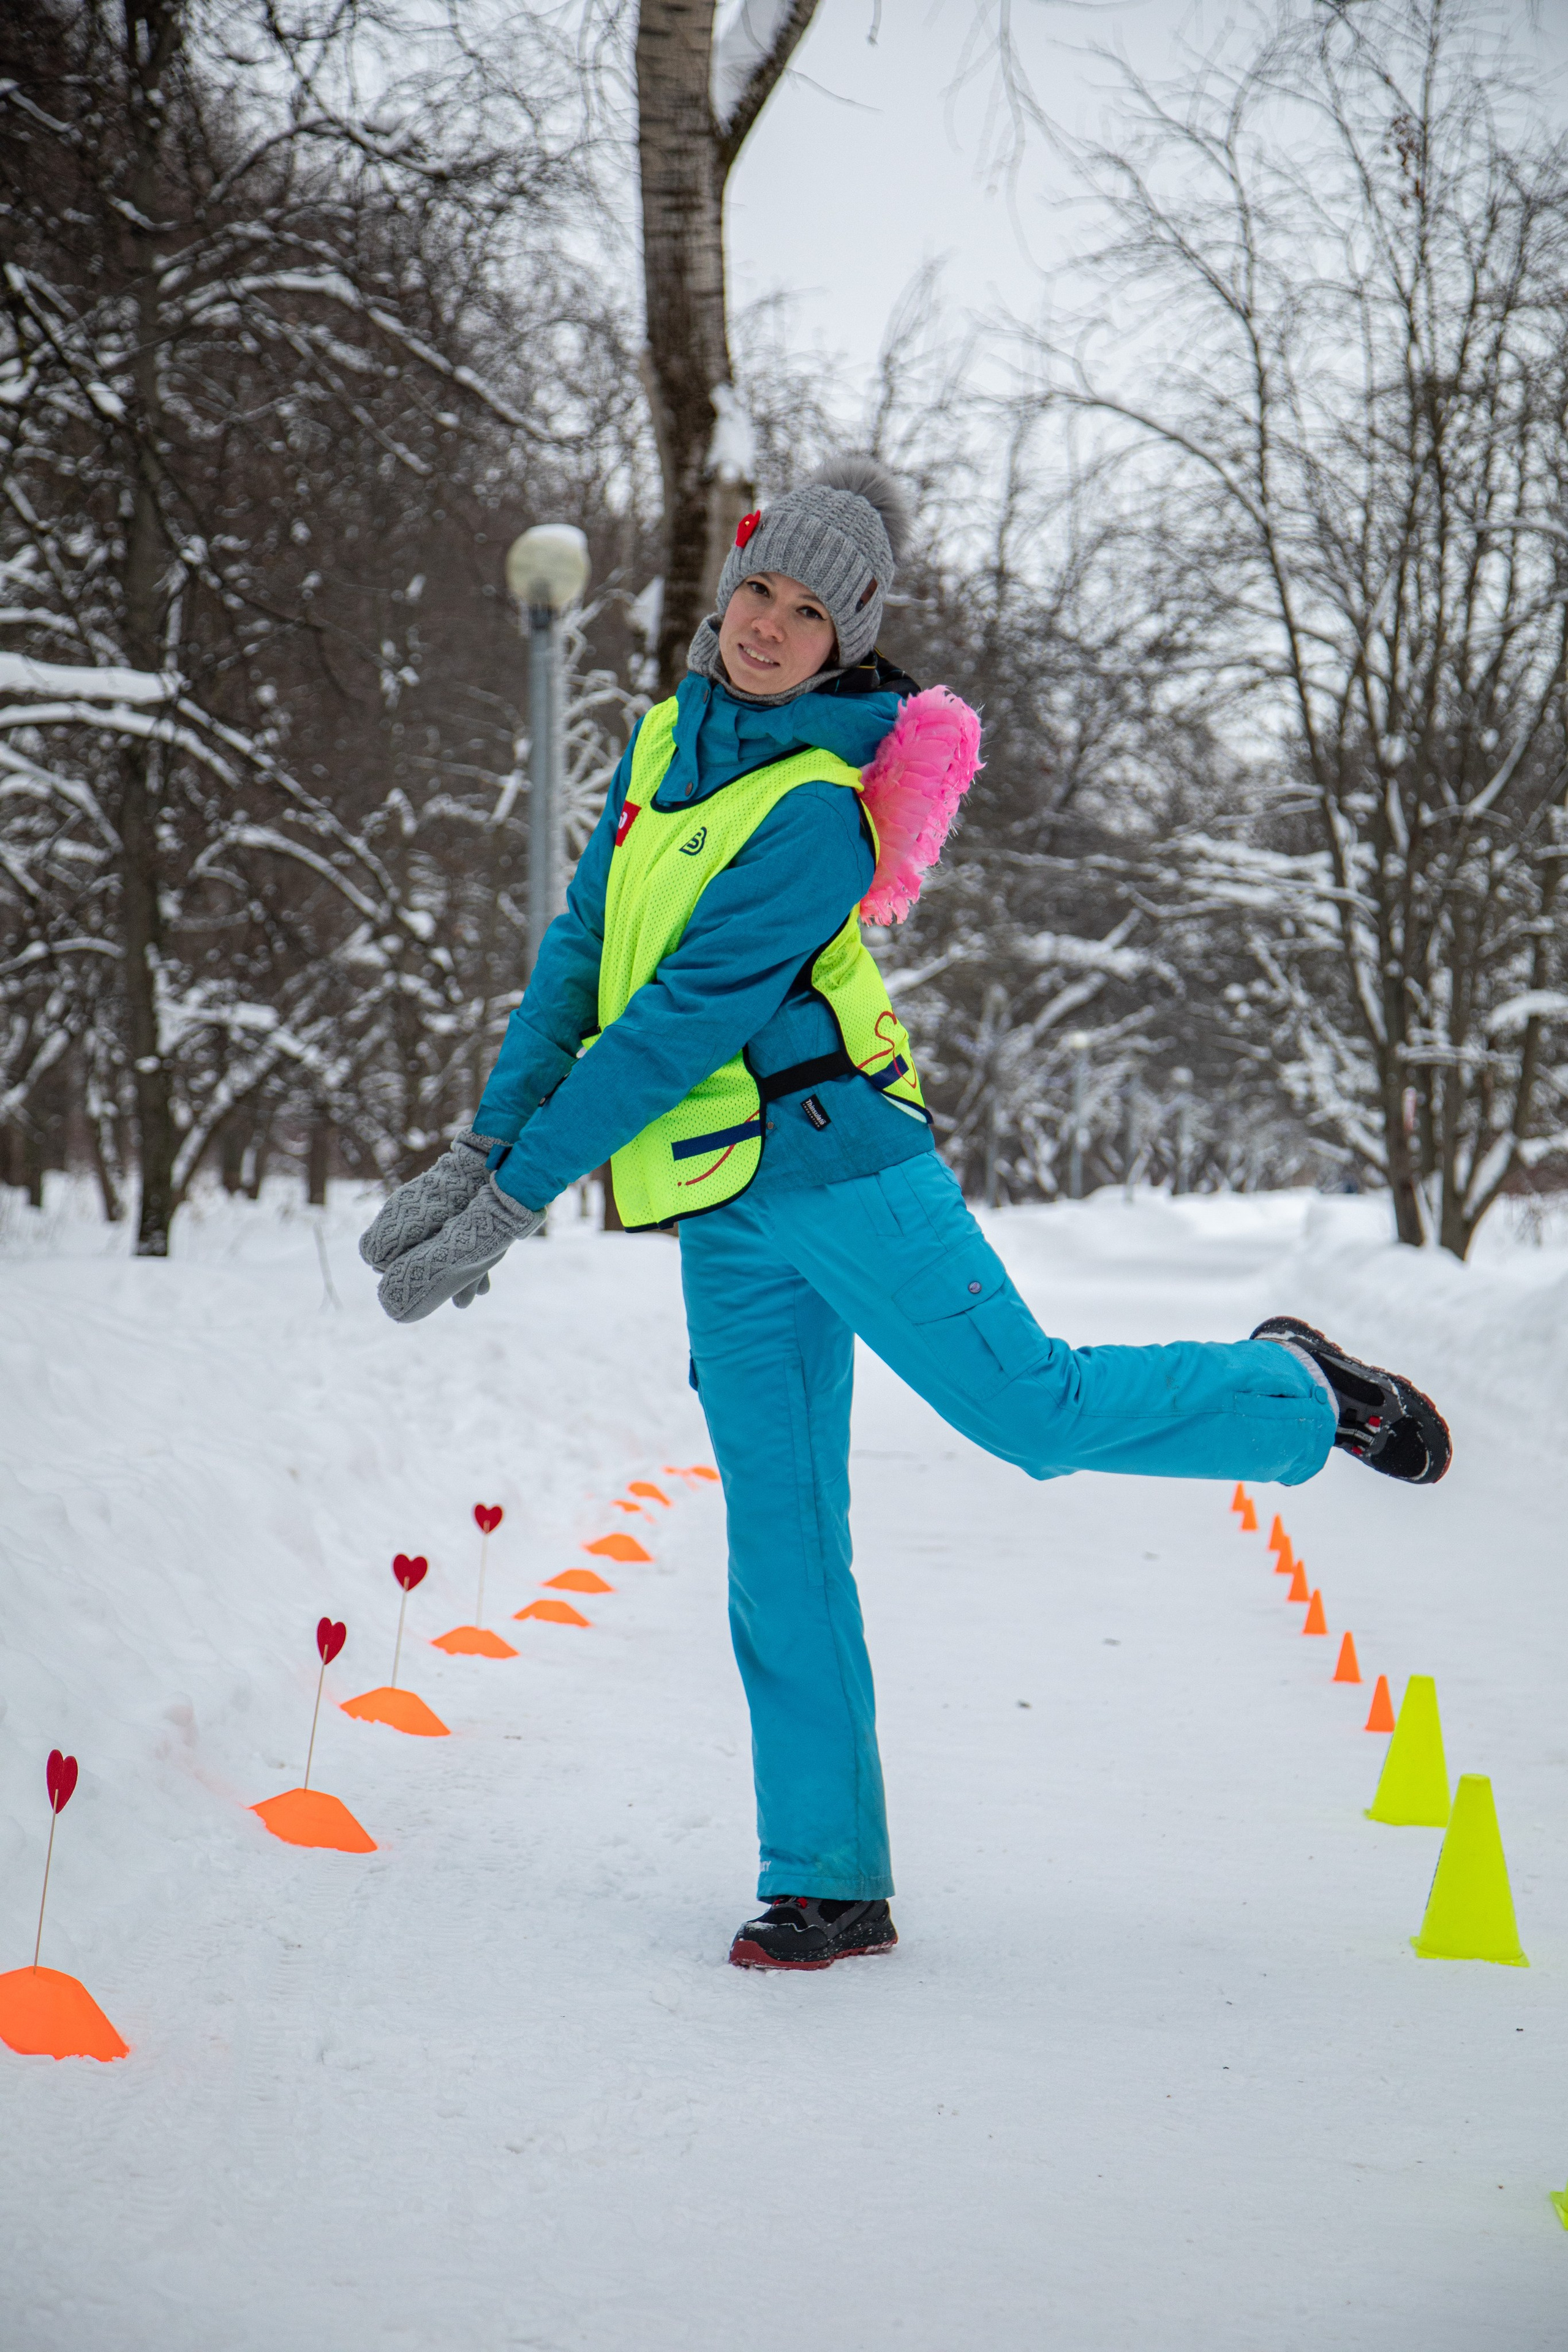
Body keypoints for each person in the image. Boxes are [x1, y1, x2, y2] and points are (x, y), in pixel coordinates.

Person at [359, 457, 1451, 1973]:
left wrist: (516, 1200)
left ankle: (1295, 1391)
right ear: (726, 588)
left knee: (1033, 1411)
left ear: (846, 642)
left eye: (808, 613)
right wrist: (483, 1143)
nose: (768, 626)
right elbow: (584, 951)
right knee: (781, 1536)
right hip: (720, 1203)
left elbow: (677, 1022)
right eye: (758, 591)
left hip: (841, 1163)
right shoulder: (665, 740)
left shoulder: (817, 808)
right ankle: (827, 1879)